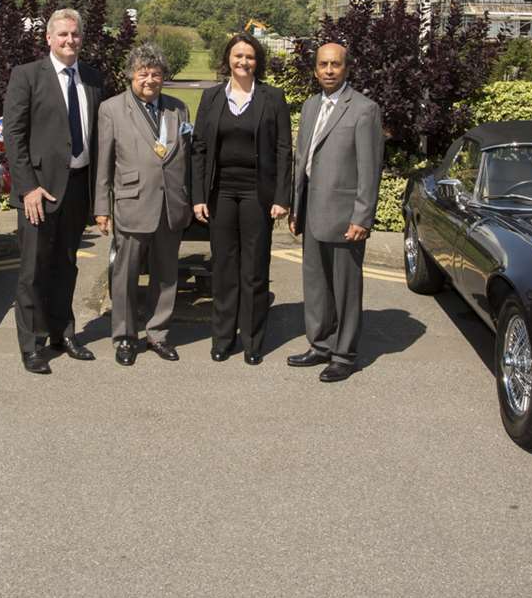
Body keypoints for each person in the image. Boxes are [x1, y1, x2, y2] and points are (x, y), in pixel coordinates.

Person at [2, 8, 103, 374]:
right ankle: (32, 345)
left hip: (78, 187)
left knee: (66, 266)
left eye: (74, 35)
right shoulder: (27, 76)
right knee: (32, 270)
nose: (69, 41)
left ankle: (63, 333)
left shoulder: (92, 78)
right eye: (62, 35)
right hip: (39, 192)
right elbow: (13, 137)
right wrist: (27, 188)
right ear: (48, 38)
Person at [191, 33, 292, 364]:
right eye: (238, 56)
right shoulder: (212, 98)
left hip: (256, 194)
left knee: (254, 269)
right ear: (228, 59)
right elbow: (200, 149)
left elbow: (282, 150)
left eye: (249, 56)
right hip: (220, 193)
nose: (243, 62)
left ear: (257, 61)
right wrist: (198, 196)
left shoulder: (272, 98)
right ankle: (222, 338)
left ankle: (252, 339)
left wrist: (281, 196)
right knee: (224, 267)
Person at [288, 42, 383, 382]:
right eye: (323, 65)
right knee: (315, 285)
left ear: (347, 68)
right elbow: (302, 161)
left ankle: (344, 355)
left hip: (345, 216)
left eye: (336, 65)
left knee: (344, 288)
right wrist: (296, 207)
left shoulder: (363, 109)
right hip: (312, 211)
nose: (329, 70)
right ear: (315, 69)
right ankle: (320, 345)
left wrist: (362, 217)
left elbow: (370, 169)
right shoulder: (311, 106)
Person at [94, 43, 192, 366]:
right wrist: (101, 207)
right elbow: (104, 164)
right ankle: (124, 337)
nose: (149, 79)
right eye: (143, 73)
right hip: (132, 204)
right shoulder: (111, 109)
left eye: (156, 73)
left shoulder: (179, 110)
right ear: (131, 76)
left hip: (170, 206)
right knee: (125, 276)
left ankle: (158, 333)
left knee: (167, 274)